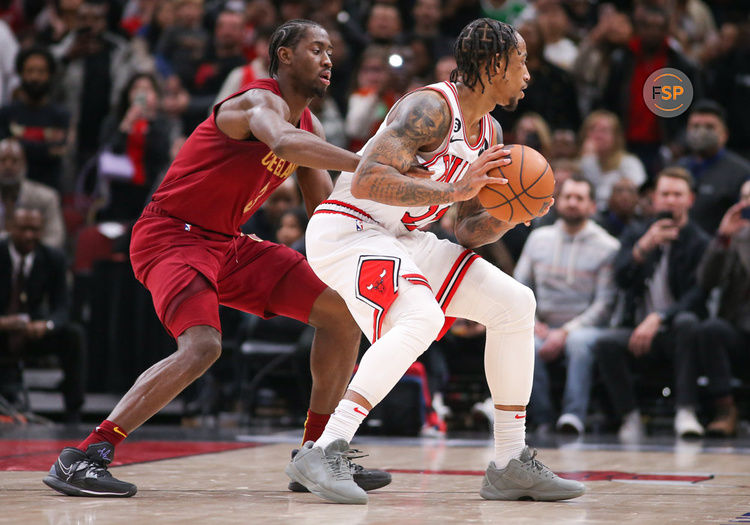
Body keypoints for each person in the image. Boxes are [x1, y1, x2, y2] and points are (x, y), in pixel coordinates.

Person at [43, 19, 399, 499]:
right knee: (203, 346)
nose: (329, 59)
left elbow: (322, 211)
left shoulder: (309, 126)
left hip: (227, 243)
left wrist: (398, 218)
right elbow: (284, 143)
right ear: (284, 56)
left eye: (331, 51)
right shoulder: (257, 101)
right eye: (317, 48)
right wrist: (369, 162)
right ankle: (85, 455)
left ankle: (317, 454)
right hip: (171, 235)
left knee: (340, 312)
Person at [287, 18, 585, 504]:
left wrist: (511, 213)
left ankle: (510, 461)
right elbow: (365, 180)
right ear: (493, 66)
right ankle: (325, 447)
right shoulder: (429, 106)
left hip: (403, 235)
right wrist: (453, 188)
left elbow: (466, 229)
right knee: (421, 316)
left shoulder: (489, 131)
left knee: (515, 303)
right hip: (349, 227)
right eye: (521, 61)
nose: (528, 73)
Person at [594, 167, 710, 441]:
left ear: (690, 199)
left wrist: (660, 317)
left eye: (677, 194)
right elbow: (620, 279)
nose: (670, 200)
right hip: (638, 331)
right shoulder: (637, 233)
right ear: (655, 199)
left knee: (687, 323)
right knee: (606, 343)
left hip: (675, 331)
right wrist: (643, 247)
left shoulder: (700, 241)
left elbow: (698, 295)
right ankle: (630, 416)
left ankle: (686, 411)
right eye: (665, 194)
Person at [515, 176, 619, 436]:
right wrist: (534, 322)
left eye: (580, 198)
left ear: (592, 206)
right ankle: (542, 418)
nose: (573, 203)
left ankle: (573, 415)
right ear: (557, 202)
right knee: (523, 342)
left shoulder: (608, 247)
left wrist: (567, 331)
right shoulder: (538, 238)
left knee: (578, 343)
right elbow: (520, 286)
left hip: (584, 327)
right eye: (568, 197)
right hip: (542, 325)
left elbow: (604, 304)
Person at [0, 207, 85, 421]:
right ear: (9, 228)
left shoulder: (53, 257)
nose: (29, 235)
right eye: (23, 229)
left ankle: (74, 411)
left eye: (35, 230)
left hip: (31, 332)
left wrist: (47, 325)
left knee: (73, 335)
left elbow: (63, 307)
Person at [687, 180, 750, 436]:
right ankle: (725, 410)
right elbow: (706, 282)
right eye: (745, 198)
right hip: (741, 332)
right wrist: (723, 238)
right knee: (710, 329)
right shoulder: (733, 237)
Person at [678, 100, 750, 235]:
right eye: (695, 126)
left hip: (721, 250)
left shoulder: (742, 173)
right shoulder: (677, 168)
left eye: (709, 127)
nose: (701, 132)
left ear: (725, 134)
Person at [0, 138, 65, 250]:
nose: (8, 166)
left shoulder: (47, 197)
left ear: (24, 164)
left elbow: (55, 238)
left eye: (14, 161)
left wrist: (30, 256)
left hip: (36, 263)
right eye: (2, 160)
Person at [579, 110, 647, 211]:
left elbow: (639, 196)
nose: (598, 135)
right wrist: (584, 159)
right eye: (593, 130)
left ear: (616, 136)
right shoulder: (586, 162)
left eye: (604, 131)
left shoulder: (630, 163)